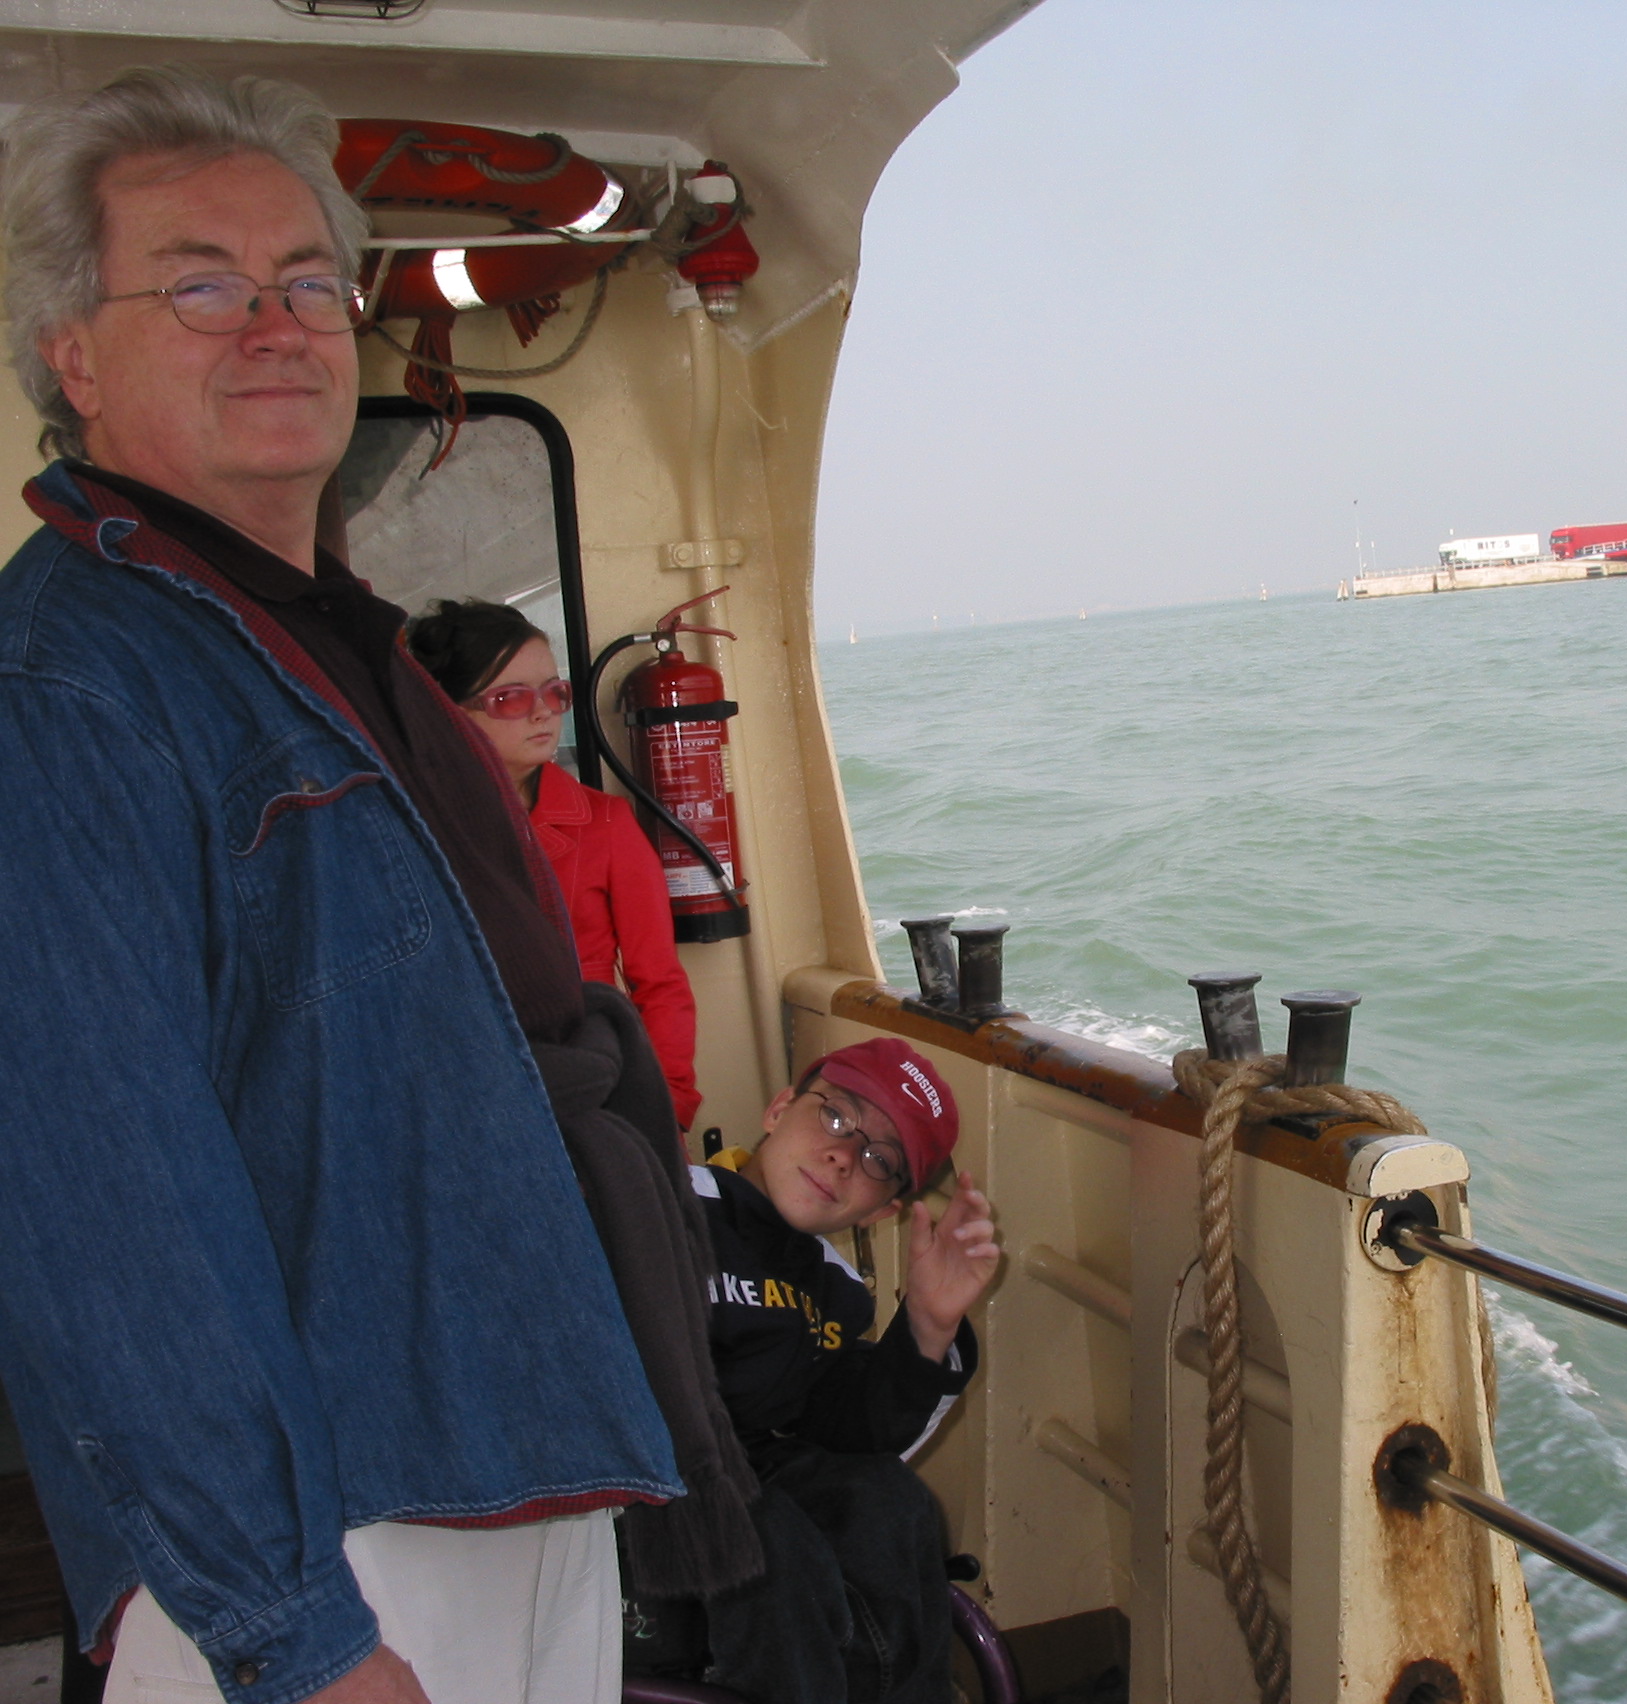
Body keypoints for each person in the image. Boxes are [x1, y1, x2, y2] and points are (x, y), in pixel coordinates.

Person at [0, 68, 690, 1704]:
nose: (275, 322)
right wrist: (288, 1632)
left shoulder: (325, 634)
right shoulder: (73, 686)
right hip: (330, 1527)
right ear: (72, 357)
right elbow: (105, 1199)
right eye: (201, 284)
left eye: (307, 281)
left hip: (505, 1445)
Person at [688, 1039, 998, 1704]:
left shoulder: (837, 1294)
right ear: (778, 1109)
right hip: (651, 1481)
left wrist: (925, 1328)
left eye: (879, 1159)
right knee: (767, 1538)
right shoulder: (668, 1205)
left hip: (760, 1485)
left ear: (883, 1211)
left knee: (896, 1504)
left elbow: (845, 1432)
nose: (843, 1156)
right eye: (835, 1118)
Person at [408, 598, 703, 1131]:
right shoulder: (411, 831)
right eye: (509, 698)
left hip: (596, 1086)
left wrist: (665, 1107)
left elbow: (659, 982)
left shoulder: (607, 825)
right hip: (468, 1092)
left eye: (554, 691)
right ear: (447, 712)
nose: (542, 711)